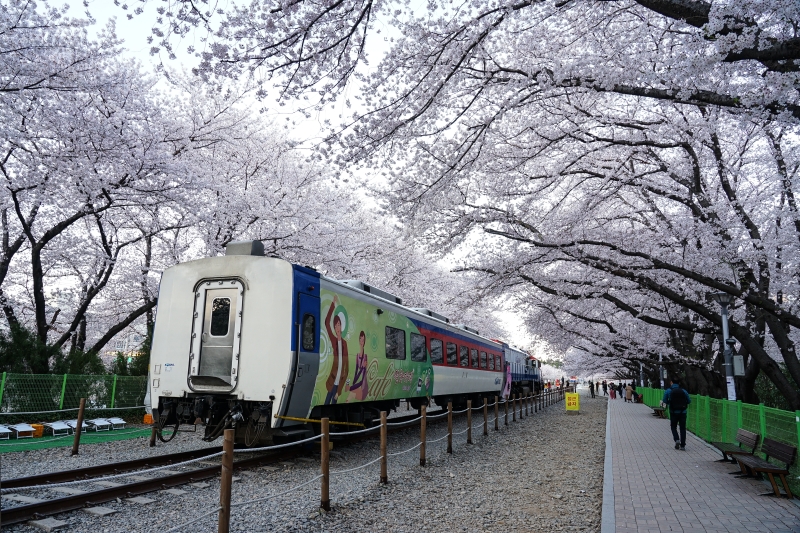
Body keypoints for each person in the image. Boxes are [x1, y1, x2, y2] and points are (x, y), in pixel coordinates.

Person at [324, 294, 349, 405]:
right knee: (326, 403)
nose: (337, 327)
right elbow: (326, 322)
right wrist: (333, 304)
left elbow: (346, 368)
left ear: (341, 326)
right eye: (335, 326)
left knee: (334, 404)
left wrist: (339, 390)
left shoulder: (344, 343)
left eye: (338, 325)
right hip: (332, 381)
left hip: (339, 384)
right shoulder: (334, 340)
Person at [662, 377, 691, 450]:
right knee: (682, 428)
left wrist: (670, 403)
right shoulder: (683, 391)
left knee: (673, 426)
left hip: (673, 412)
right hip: (683, 412)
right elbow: (689, 401)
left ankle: (677, 439)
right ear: (679, 383)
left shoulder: (668, 391)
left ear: (671, 382)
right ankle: (683, 445)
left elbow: (664, 400)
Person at [345, 331, 369, 402]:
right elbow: (356, 372)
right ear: (359, 340)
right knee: (349, 396)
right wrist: (352, 383)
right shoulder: (357, 356)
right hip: (357, 384)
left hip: (363, 387)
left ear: (364, 341)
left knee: (351, 394)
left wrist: (350, 388)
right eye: (361, 339)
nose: (362, 341)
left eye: (363, 340)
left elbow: (362, 380)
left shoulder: (365, 357)